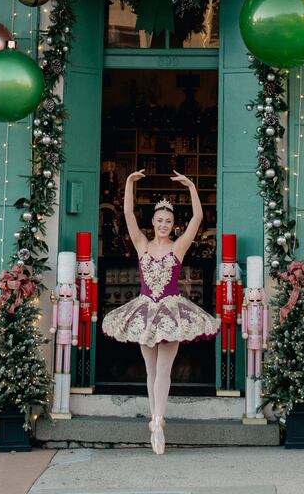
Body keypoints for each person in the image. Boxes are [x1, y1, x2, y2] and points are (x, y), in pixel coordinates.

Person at [101, 169, 219, 454]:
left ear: (173, 225)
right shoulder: (142, 245)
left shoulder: (179, 248)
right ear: (152, 222)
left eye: (168, 221)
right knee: (150, 370)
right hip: (144, 311)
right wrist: (128, 182)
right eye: (159, 220)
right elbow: (128, 214)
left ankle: (158, 422)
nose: (164, 224)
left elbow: (198, 219)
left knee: (164, 370)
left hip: (170, 311)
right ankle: (155, 422)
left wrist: (192, 184)